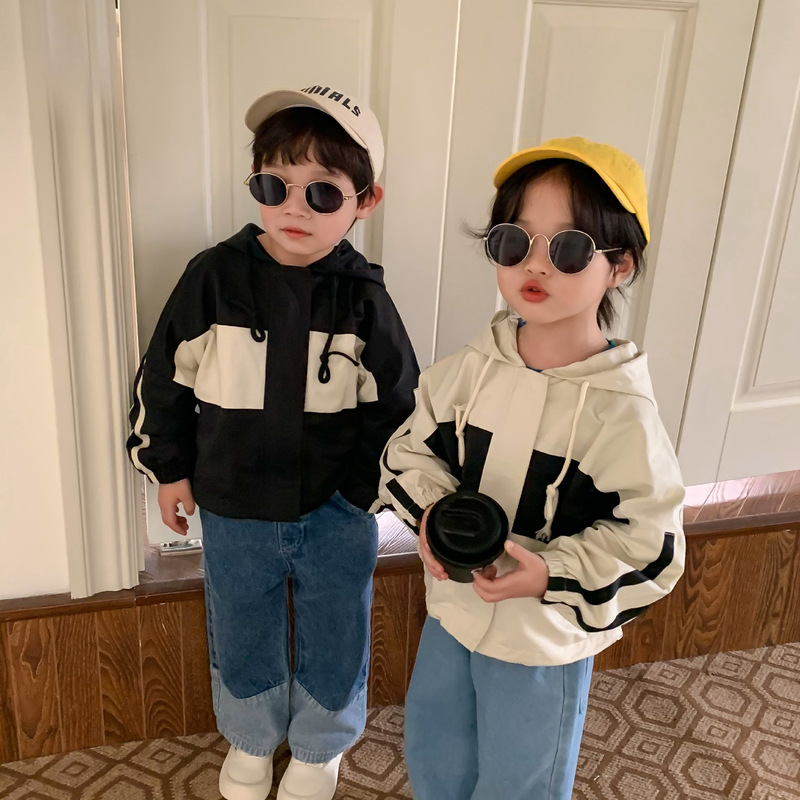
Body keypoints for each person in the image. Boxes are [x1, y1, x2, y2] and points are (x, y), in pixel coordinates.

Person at [126, 84, 419, 800]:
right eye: (274, 186)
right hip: (233, 503)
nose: (295, 208)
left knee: (336, 626)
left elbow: (399, 404)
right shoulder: (211, 278)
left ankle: (320, 748)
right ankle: (252, 739)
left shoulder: (365, 299)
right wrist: (169, 470)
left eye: (323, 192)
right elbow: (163, 380)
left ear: (365, 201)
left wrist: (362, 491)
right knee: (241, 624)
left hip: (337, 511)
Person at [378, 136, 685, 800]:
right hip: (453, 612)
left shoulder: (621, 414)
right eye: (515, 242)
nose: (535, 265)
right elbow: (409, 452)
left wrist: (552, 573)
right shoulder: (470, 369)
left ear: (620, 266)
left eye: (569, 248)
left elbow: (651, 544)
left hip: (543, 639)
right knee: (434, 748)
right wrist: (433, 516)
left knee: (521, 779)